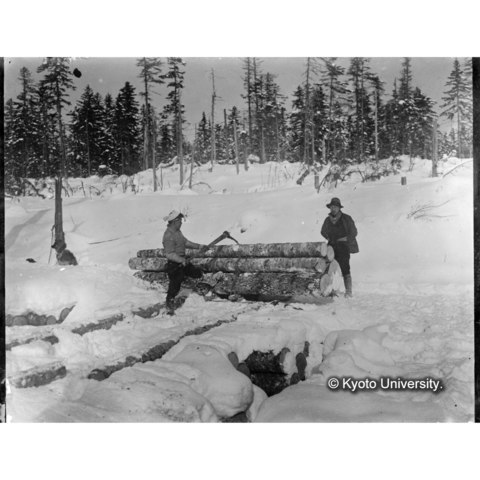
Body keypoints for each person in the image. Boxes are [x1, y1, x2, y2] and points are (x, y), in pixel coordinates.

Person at [162, 210, 207, 314]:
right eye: (180, 221)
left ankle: (196, 290)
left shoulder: (177, 232)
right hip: (174, 264)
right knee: (175, 285)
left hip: (183, 261)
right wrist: (181, 260)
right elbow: (169, 254)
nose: (181, 223)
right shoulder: (168, 235)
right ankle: (169, 304)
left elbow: (185, 242)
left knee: (196, 273)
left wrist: (199, 246)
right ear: (174, 221)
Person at [320, 198, 359, 297]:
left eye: (335, 207)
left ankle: (348, 291)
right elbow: (323, 231)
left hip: (343, 247)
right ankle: (331, 290)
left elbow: (354, 232)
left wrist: (346, 239)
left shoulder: (346, 218)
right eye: (332, 207)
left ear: (339, 208)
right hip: (331, 248)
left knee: (345, 268)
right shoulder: (327, 220)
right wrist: (328, 237)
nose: (333, 209)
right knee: (331, 269)